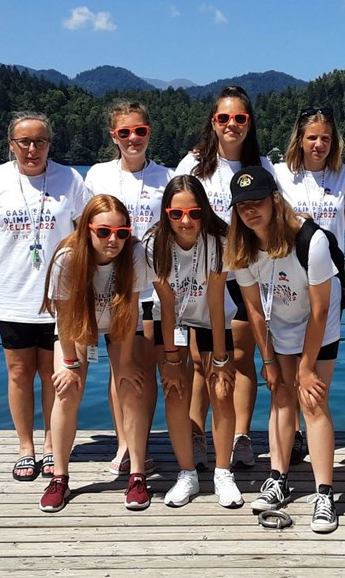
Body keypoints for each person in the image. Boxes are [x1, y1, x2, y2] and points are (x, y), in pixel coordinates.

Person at [0, 111, 88, 482]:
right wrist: (13, 258)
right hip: (12, 294)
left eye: (40, 142)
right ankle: (25, 447)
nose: (32, 149)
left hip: (60, 297)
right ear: (11, 145)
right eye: (25, 142)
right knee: (20, 373)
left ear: (50, 145)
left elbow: (83, 231)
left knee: (55, 374)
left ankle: (52, 444)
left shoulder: (70, 179)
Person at [226, 166, 341, 533]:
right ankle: (278, 478)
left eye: (257, 201)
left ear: (275, 200)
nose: (250, 210)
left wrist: (306, 367)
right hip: (279, 322)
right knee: (279, 395)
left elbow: (320, 310)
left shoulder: (311, 240)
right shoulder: (241, 248)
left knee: (312, 400)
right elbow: (254, 309)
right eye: (242, 205)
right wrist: (269, 359)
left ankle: (324, 494)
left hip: (318, 324)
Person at [175, 86, 276, 471]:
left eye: (239, 118)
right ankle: (197, 434)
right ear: (213, 122)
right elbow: (178, 215)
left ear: (249, 123)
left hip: (247, 275)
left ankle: (241, 436)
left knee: (242, 357)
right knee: (201, 361)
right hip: (202, 277)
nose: (231, 124)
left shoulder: (262, 166)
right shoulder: (194, 165)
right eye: (224, 118)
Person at [37, 195, 151, 513]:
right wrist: (70, 364)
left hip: (120, 323)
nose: (113, 240)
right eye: (103, 232)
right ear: (87, 229)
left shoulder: (135, 254)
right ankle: (60, 478)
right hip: (77, 325)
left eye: (121, 233)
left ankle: (137, 475)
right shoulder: (68, 257)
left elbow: (131, 308)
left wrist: (125, 364)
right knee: (67, 391)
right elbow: (64, 317)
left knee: (132, 387)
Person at [85, 101, 173, 476]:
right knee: (117, 368)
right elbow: (84, 229)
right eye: (125, 132)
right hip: (112, 288)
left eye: (140, 131)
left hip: (152, 286)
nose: (133, 138)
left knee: (145, 369)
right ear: (114, 136)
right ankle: (123, 444)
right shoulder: (97, 175)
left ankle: (142, 442)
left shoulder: (166, 177)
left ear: (149, 132)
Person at [147, 175, 242, 509]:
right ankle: (187, 473)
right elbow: (167, 304)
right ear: (166, 213)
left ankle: (223, 472)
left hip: (210, 317)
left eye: (194, 213)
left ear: (204, 211)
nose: (185, 221)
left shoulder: (219, 241)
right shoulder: (154, 244)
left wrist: (221, 359)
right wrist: (172, 359)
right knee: (174, 391)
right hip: (170, 318)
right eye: (176, 214)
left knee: (222, 390)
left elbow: (216, 301)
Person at [274, 106, 345, 464]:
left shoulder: (344, 176)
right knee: (289, 373)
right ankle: (293, 437)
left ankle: (313, 431)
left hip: (329, 283)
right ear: (300, 140)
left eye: (325, 138)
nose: (319, 144)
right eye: (312, 138)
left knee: (319, 374)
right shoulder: (280, 175)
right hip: (289, 282)